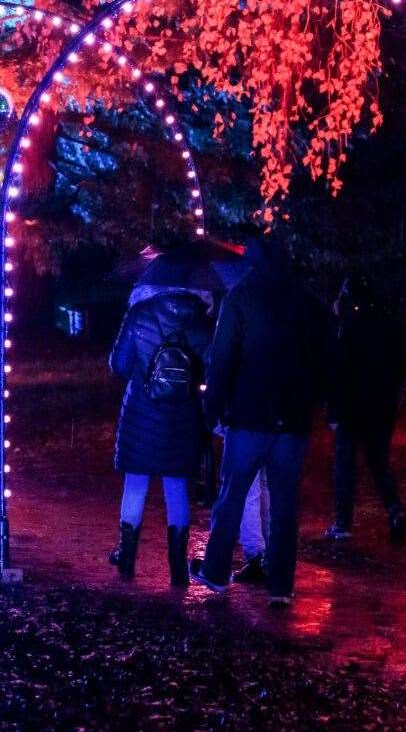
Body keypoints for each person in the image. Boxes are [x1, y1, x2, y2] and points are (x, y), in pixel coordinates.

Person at [191, 234, 332, 606]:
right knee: (284, 503)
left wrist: (212, 409)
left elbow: (222, 361)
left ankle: (217, 571)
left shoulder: (240, 300)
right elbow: (326, 360)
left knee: (232, 494)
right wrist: (313, 401)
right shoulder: (308, 302)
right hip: (293, 419)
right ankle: (281, 586)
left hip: (250, 415)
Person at [107, 286, 213, 586]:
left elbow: (119, 365)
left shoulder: (140, 313)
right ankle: (178, 569)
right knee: (177, 489)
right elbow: (210, 370)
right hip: (182, 417)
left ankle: (126, 559)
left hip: (141, 414)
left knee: (136, 485)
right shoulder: (201, 321)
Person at [326, 277, 406, 542]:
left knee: (345, 466)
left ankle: (343, 523)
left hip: (352, 408)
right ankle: (394, 508)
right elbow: (403, 365)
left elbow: (338, 372)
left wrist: (334, 412)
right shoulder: (389, 326)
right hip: (381, 406)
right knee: (378, 462)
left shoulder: (346, 330)